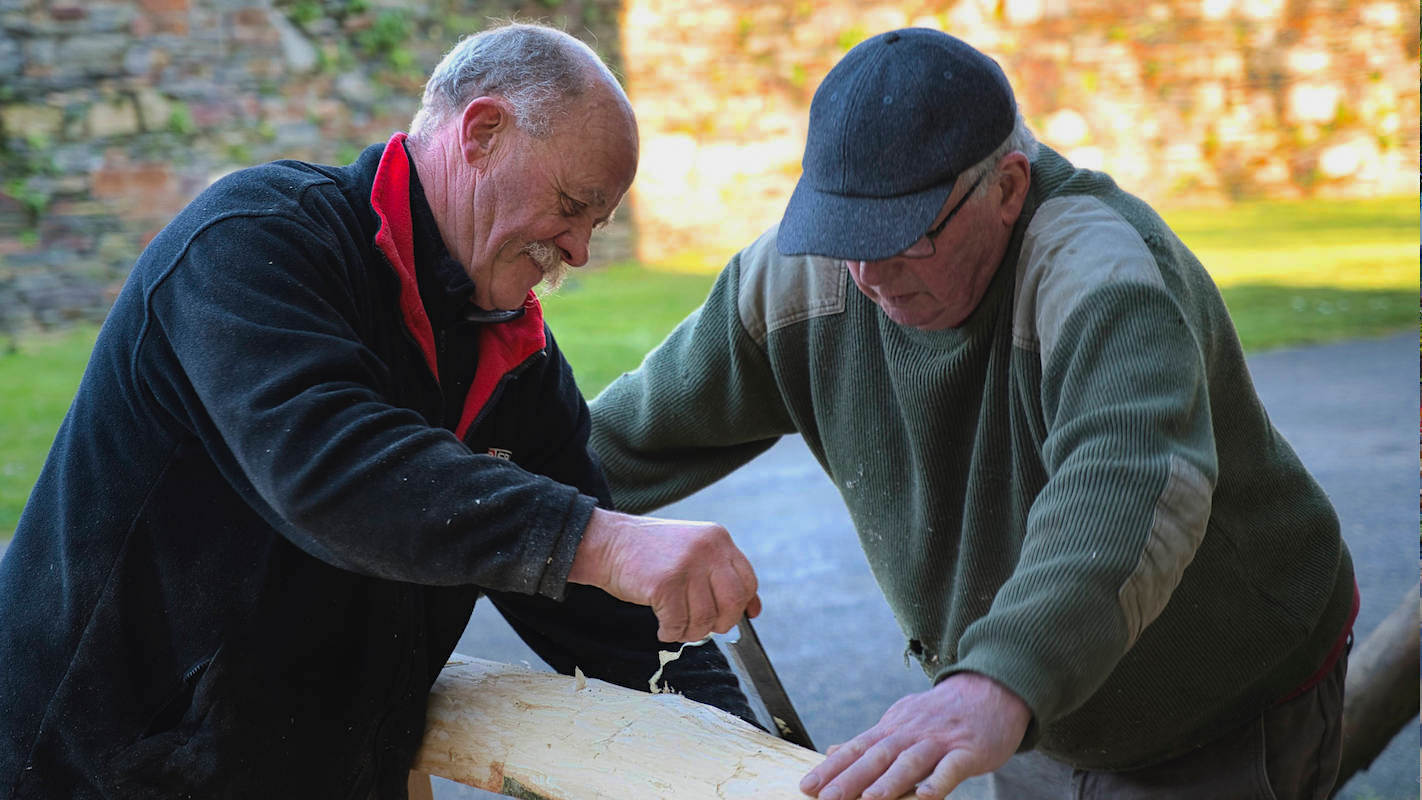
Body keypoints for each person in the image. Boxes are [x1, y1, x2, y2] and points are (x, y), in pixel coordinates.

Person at [588, 28, 1357, 800]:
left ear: (1009, 189)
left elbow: (1130, 486)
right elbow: (611, 440)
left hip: (1220, 705)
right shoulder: (804, 278)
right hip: (1018, 698)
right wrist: (539, 529)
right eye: (844, 233)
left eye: (905, 237)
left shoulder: (1101, 269)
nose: (867, 275)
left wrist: (994, 683)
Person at [0, 23, 762, 799]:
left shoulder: (511, 355)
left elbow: (608, 615)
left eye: (594, 225)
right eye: (572, 206)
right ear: (483, 132)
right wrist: (601, 541)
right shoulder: (255, 240)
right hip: (93, 772)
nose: (578, 251)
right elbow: (330, 469)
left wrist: (756, 758)